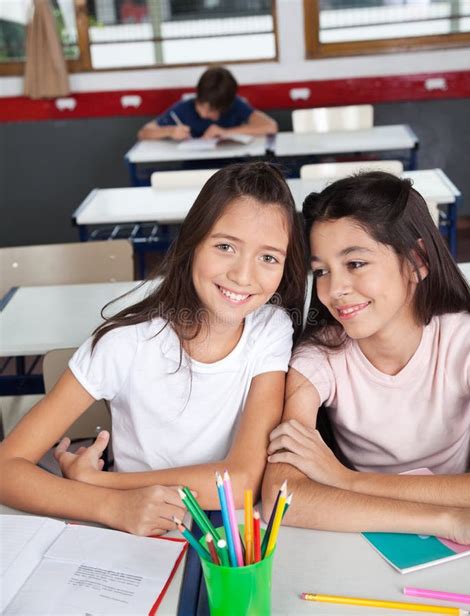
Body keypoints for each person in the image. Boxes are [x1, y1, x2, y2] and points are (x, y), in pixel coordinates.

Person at [0, 162, 306, 536]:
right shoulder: (124, 344)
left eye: (268, 258)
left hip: (230, 533)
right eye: (225, 246)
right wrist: (111, 506)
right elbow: (6, 468)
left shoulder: (270, 329)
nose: (243, 276)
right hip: (138, 536)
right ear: (193, 242)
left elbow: (241, 481)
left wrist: (101, 482)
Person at [263, 171, 470, 544]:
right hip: (362, 535)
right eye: (322, 271)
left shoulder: (464, 340)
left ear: (417, 260)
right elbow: (282, 497)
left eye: (356, 263)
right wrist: (445, 520)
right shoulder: (318, 358)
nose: (336, 289)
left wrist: (347, 480)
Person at [137, 66, 277, 141]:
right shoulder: (184, 108)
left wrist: (226, 132)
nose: (204, 113)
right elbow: (144, 133)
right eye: (202, 106)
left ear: (225, 107)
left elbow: (270, 126)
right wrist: (170, 131)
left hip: (232, 171)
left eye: (212, 111)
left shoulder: (235, 105)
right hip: (192, 171)